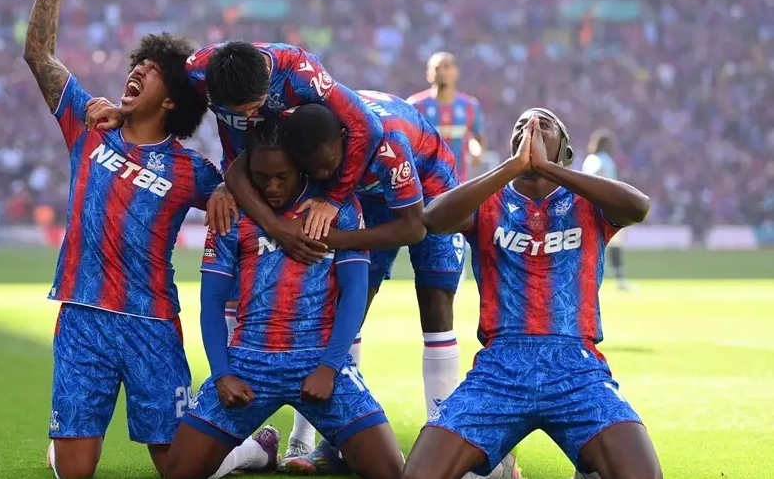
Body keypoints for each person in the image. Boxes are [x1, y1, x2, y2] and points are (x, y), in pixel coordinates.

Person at [24, 0, 275, 479]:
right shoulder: (89, 127)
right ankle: (66, 443)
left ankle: (255, 450)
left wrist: (228, 187)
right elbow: (38, 55)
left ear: (172, 101)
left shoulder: (190, 170)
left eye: (154, 71)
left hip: (152, 322)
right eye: (139, 65)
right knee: (74, 474)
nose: (138, 70)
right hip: (82, 316)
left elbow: (253, 186)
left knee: (179, 469)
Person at [403, 108, 661, 479]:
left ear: (565, 149)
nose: (530, 128)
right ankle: (505, 462)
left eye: (544, 124)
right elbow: (432, 218)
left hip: (576, 366)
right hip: (499, 368)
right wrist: (512, 168)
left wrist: (550, 170)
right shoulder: (488, 202)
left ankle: (589, 463)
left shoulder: (587, 203)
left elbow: (639, 207)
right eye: (521, 125)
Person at [272, 95, 518, 476]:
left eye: (328, 166)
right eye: (313, 170)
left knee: (435, 304)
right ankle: (324, 441)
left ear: (344, 140)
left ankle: (444, 441)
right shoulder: (306, 132)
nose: (322, 175)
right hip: (367, 194)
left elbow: (414, 226)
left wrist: (341, 239)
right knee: (344, 307)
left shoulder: (386, 144)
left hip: (431, 189)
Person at [162, 119, 404, 479]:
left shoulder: (336, 208)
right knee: (178, 472)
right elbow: (211, 302)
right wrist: (222, 374)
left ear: (300, 166)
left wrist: (329, 367)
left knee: (390, 471)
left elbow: (354, 292)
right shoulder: (232, 211)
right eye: (262, 177)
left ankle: (327, 449)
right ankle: (259, 451)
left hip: (318, 361)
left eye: (282, 177)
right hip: (248, 363)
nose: (272, 187)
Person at [85, 40, 384, 263]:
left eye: (256, 106)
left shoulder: (301, 74)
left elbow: (367, 126)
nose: (251, 115)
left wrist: (334, 198)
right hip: (243, 170)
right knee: (234, 235)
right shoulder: (197, 70)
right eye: (239, 112)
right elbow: (158, 91)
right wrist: (125, 112)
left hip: (294, 170)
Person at [407, 52, 486, 182]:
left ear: (456, 72)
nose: (442, 72)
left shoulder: (470, 105)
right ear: (428, 74)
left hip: (459, 179)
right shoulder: (415, 105)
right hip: (425, 180)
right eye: (437, 68)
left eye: (447, 67)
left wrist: (477, 151)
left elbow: (477, 136)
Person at [582, 129, 632, 291]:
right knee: (615, 243)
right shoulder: (607, 161)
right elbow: (610, 185)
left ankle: (587, 279)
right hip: (607, 207)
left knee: (591, 245)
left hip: (588, 207)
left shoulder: (589, 160)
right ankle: (620, 280)